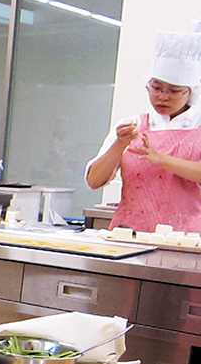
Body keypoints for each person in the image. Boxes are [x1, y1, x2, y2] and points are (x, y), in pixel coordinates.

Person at [85, 25, 201, 233]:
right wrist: (120, 144)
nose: (163, 96)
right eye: (156, 88)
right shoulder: (132, 125)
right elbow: (94, 180)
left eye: (173, 91)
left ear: (190, 92)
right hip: (129, 234)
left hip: (186, 238)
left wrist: (162, 159)